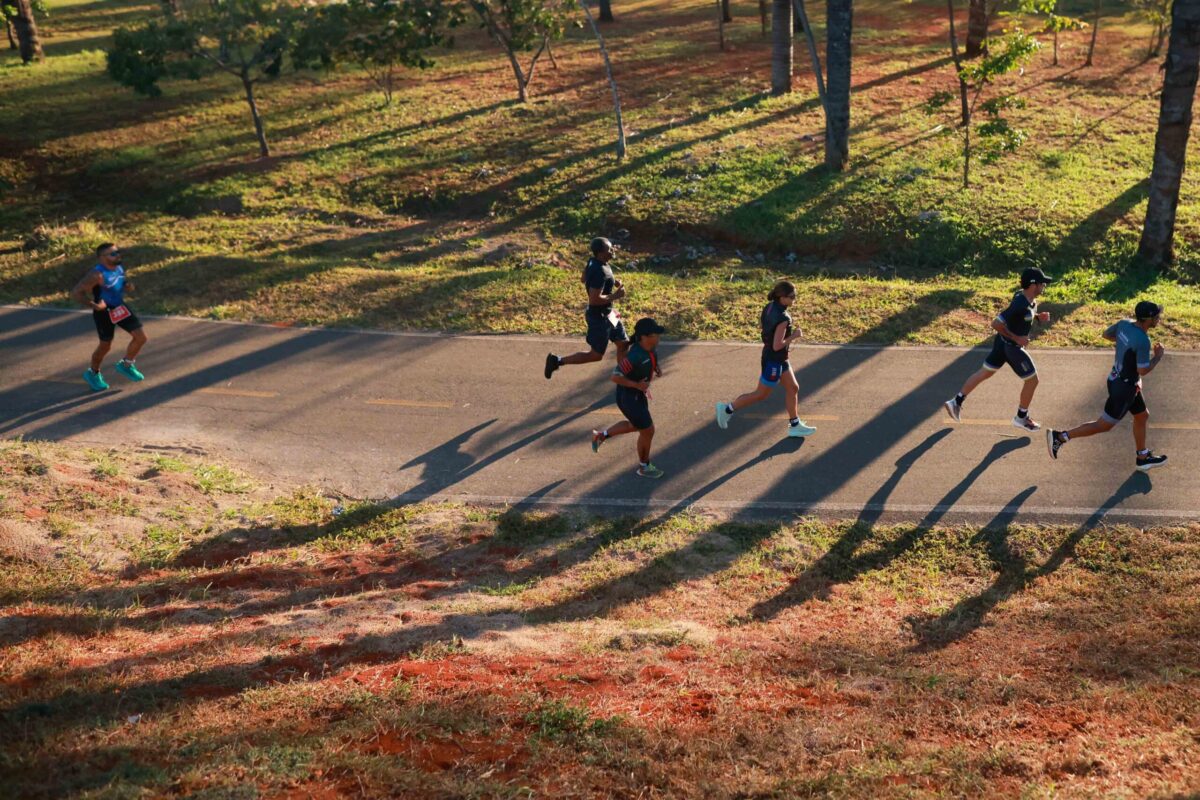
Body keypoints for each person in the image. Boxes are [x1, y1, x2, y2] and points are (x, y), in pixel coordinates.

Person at [1046, 301, 1168, 471]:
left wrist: (1123, 344)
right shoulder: (1142, 340)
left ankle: (1142, 456)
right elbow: (1143, 369)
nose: (1158, 319)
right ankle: (1060, 437)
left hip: (1118, 379)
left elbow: (1106, 335)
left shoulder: (1124, 323)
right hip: (1124, 390)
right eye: (1156, 316)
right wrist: (1158, 356)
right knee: (1103, 425)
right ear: (1149, 319)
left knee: (1142, 416)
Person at [944, 267, 1052, 431]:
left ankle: (956, 402)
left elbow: (1022, 315)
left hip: (1001, 344)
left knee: (984, 372)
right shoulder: (1020, 302)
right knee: (1032, 380)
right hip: (1011, 348)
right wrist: (1017, 338)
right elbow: (996, 323)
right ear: (1032, 285)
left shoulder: (1026, 298)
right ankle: (1021, 418)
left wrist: (1037, 317)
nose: (1044, 286)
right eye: (1042, 283)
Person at [715, 280, 816, 438]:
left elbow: (762, 326)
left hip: (778, 358)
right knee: (760, 395)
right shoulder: (784, 318)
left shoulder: (769, 306)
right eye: (792, 297)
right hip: (774, 360)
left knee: (793, 388)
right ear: (782, 297)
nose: (794, 299)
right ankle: (727, 409)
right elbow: (777, 345)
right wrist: (794, 336)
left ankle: (795, 425)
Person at [545, 237, 630, 379]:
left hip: (610, 314)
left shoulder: (594, 261)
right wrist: (616, 295)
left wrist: (612, 281)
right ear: (601, 253)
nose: (612, 250)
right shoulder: (600, 271)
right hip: (599, 317)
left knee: (623, 343)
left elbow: (583, 278)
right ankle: (557, 361)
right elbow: (594, 300)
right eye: (609, 249)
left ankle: (623, 377)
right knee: (596, 355)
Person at [590, 318, 666, 478]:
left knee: (637, 425)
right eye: (655, 334)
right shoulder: (635, 355)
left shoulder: (651, 348)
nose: (659, 337)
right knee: (648, 431)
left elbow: (652, 359)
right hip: (629, 397)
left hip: (637, 395)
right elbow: (615, 376)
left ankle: (601, 436)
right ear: (644, 337)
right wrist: (637, 385)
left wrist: (656, 368)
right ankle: (644, 466)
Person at [71, 243, 147, 391]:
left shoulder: (119, 267)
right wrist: (94, 305)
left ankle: (126, 365)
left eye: (118, 252)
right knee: (105, 346)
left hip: (120, 307)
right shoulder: (96, 275)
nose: (118, 255)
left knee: (141, 338)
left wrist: (127, 286)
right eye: (113, 254)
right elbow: (76, 293)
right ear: (102, 258)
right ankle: (93, 373)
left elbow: (119, 283)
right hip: (104, 313)